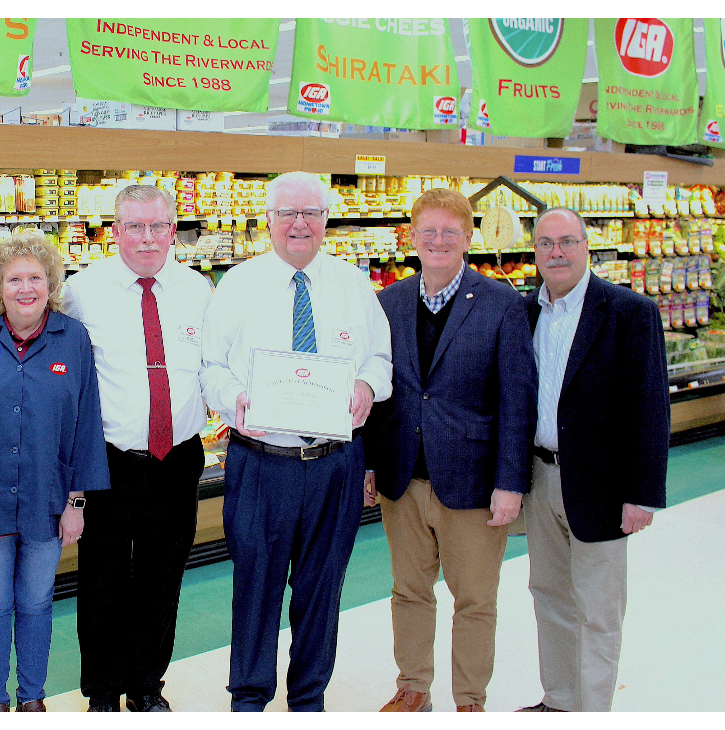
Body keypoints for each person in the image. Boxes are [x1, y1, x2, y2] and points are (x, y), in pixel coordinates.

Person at [200, 170, 393, 712]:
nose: (300, 224)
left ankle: (308, 699)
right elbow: (210, 367)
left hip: (335, 462)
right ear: (269, 221)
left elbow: (381, 357)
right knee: (255, 587)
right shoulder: (238, 284)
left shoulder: (354, 284)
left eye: (311, 213)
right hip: (261, 462)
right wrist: (236, 400)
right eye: (288, 213)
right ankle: (250, 697)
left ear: (326, 220)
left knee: (322, 588)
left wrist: (367, 384)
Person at [363, 188, 537, 712]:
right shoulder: (388, 301)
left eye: (450, 232)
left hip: (475, 482)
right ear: (411, 236)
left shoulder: (502, 304)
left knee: (475, 599)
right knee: (409, 591)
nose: (438, 241)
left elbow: (517, 400)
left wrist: (511, 482)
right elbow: (377, 388)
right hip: (403, 478)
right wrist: (371, 461)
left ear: (468, 238)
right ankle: (413, 686)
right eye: (428, 231)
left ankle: (469, 700)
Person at [61, 185, 214, 712]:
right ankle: (103, 690)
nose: (147, 238)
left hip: (178, 459)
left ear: (174, 229)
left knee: (162, 576)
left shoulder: (199, 290)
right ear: (115, 230)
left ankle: (148, 684)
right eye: (134, 226)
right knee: (101, 579)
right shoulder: (82, 291)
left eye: (157, 226)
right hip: (109, 461)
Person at [517, 207, 669, 712]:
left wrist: (642, 494)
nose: (555, 253)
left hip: (602, 485)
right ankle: (559, 701)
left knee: (599, 609)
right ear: (534, 251)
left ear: (587, 245)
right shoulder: (526, 312)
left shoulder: (629, 311)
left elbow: (650, 408)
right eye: (545, 244)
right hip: (540, 478)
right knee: (549, 596)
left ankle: (593, 711)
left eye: (565, 242)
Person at [0, 232, 111, 712]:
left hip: (50, 500)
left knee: (37, 603)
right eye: (14, 279)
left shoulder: (74, 337)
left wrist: (76, 503)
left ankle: (32, 698)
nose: (26, 289)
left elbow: (88, 423)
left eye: (36, 278)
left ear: (51, 284)